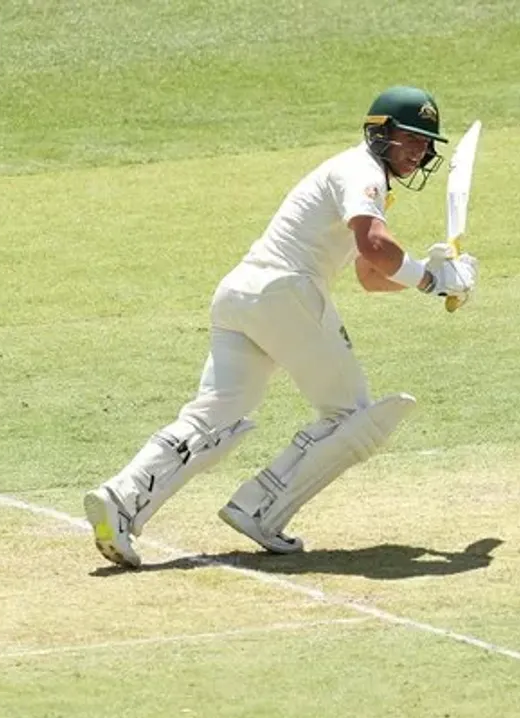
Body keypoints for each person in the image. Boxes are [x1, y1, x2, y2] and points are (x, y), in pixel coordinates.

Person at [84, 85, 478, 568]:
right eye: (410, 139)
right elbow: (376, 248)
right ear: (381, 133)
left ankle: (119, 500)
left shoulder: (357, 175)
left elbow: (370, 277)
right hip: (286, 292)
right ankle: (261, 509)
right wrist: (433, 280)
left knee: (216, 415)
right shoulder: (363, 172)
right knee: (352, 416)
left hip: (242, 294)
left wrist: (434, 273)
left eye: (425, 143)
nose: (419, 151)